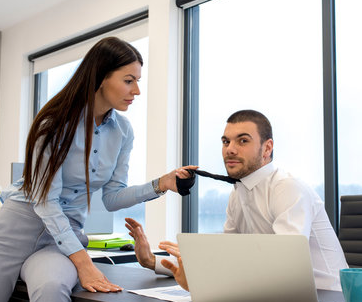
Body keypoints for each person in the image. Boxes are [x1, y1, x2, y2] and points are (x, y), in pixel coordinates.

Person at [0, 37, 189, 302]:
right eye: (129, 81)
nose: (136, 91)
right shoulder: (54, 121)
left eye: (137, 82)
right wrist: (82, 261)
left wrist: (161, 184)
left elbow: (111, 197)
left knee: (53, 287)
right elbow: (45, 201)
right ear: (101, 77)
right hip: (12, 233)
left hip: (58, 243)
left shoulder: (123, 131)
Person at [126, 109, 348, 292]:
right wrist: (153, 261)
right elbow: (228, 260)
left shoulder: (287, 188)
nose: (230, 149)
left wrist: (203, 276)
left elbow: (282, 266)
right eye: (225, 141)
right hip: (276, 297)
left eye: (242, 141)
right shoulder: (238, 193)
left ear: (267, 148)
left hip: (328, 300)